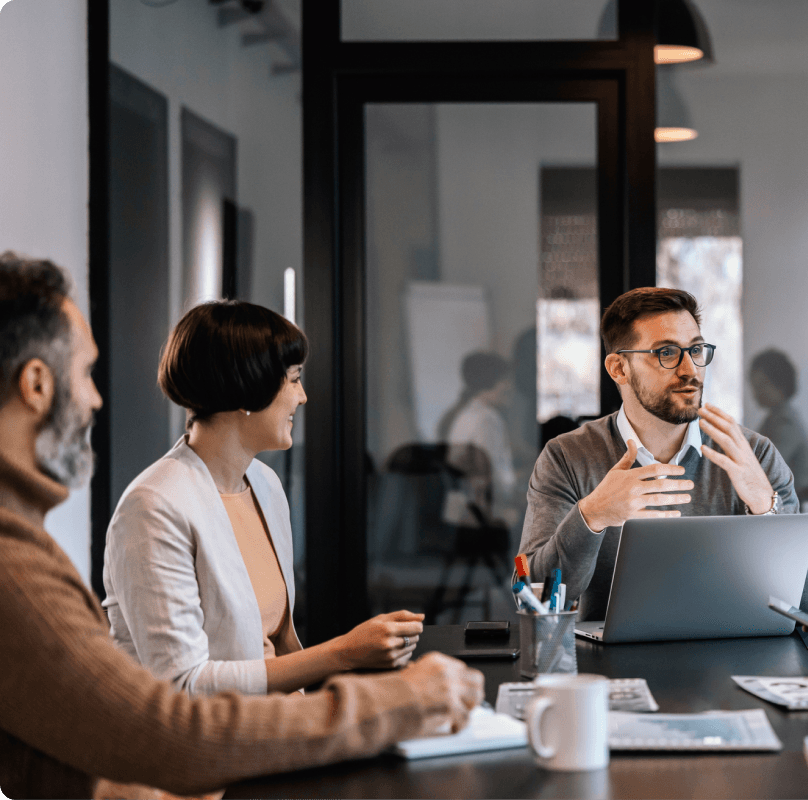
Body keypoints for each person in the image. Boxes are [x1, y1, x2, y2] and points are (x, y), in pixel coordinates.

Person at [0, 252, 483, 798]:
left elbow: (44, 745)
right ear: (36, 385)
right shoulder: (49, 550)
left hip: (260, 755)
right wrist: (383, 694)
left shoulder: (265, 487)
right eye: (84, 373)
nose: (95, 398)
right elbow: (170, 719)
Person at [102, 301, 427, 696]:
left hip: (274, 725)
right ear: (248, 387)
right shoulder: (152, 508)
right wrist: (343, 653)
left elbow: (275, 646)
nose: (303, 397)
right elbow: (184, 685)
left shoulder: (264, 483)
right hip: (209, 746)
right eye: (293, 380)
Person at [518, 287, 808, 620]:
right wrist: (592, 516)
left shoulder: (754, 455)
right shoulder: (566, 457)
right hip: (612, 665)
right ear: (619, 368)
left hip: (732, 660)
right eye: (666, 352)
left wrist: (765, 506)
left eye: (695, 350)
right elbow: (532, 599)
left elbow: (806, 605)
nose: (690, 370)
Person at [437, 351, 517, 526]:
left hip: (460, 512)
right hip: (480, 514)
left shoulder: (465, 415)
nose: (510, 386)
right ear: (491, 382)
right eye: (505, 380)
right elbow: (491, 475)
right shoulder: (487, 419)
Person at [749, 348, 808, 490]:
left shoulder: (786, 422)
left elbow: (767, 467)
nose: (756, 393)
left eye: (762, 385)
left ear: (781, 385)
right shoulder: (773, 418)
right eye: (754, 386)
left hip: (796, 502)